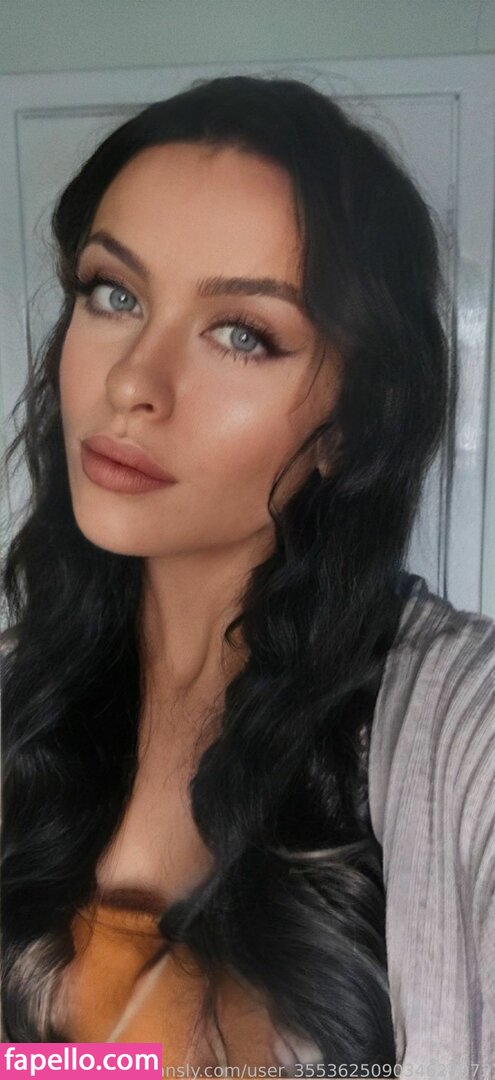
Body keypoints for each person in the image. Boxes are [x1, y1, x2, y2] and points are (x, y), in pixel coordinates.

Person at [1, 73, 494, 1076]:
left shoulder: (457, 726)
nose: (132, 382)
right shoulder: (20, 689)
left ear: (351, 423)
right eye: (114, 293)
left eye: (242, 334)